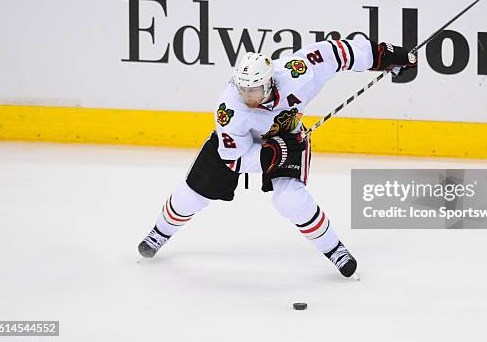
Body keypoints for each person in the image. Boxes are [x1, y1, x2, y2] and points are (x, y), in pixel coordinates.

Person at [137, 39, 417, 277]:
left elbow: (336, 52)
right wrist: (267, 157)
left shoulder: (299, 73)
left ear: (269, 82)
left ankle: (335, 249)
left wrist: (381, 55)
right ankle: (159, 232)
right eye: (243, 88)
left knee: (290, 199)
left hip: (289, 139)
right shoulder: (230, 110)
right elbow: (234, 160)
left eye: (254, 89)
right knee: (192, 194)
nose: (247, 95)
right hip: (243, 150)